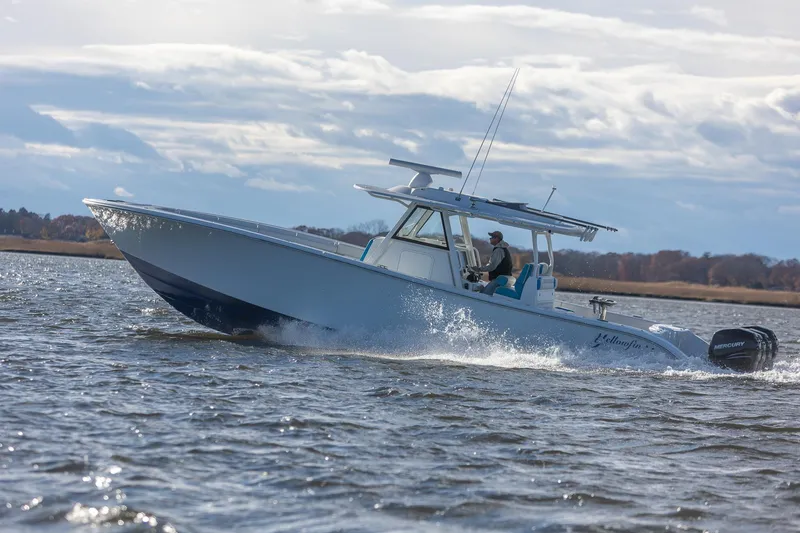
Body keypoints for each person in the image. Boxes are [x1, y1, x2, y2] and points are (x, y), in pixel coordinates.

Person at [475, 230, 513, 295]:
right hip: (500, 279)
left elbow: (492, 266)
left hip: (498, 280)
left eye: (491, 237)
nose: (490, 239)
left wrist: (479, 269)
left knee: (482, 295)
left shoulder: (499, 250)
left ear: (497, 239)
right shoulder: (502, 249)